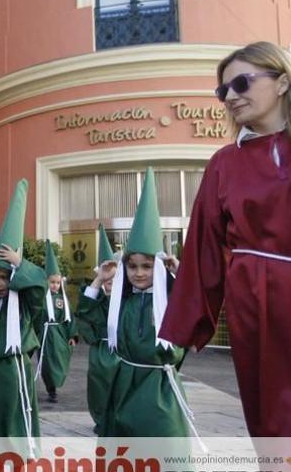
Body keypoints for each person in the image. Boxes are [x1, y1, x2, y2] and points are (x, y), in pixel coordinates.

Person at [160, 41, 291, 462]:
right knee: (276, 423)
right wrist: (184, 326)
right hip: (256, 305)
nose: (230, 96)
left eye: (242, 83)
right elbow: (203, 248)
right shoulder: (225, 162)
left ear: (282, 81)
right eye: (222, 90)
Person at [100, 168, 193, 440]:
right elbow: (93, 321)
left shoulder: (169, 303)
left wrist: (179, 276)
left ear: (160, 268)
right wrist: (99, 283)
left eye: (147, 266)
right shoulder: (123, 302)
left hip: (158, 390)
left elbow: (189, 314)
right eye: (132, 266)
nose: (139, 273)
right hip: (124, 386)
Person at [0, 180, 46, 445]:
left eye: (5, 277)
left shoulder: (25, 303)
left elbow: (39, 285)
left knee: (15, 427)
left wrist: (20, 263)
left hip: (16, 372)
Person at [74, 223, 120, 436]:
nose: (110, 283)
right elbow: (84, 311)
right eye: (106, 279)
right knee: (98, 387)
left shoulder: (126, 300)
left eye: (114, 278)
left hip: (122, 352)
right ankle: (101, 420)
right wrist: (99, 279)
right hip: (101, 352)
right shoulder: (96, 299)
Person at [34, 240, 76, 403]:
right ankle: (51, 389)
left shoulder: (62, 300)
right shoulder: (41, 299)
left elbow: (69, 317)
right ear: (46, 282)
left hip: (59, 335)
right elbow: (37, 315)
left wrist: (72, 335)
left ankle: (56, 384)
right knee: (47, 363)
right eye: (52, 282)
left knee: (60, 361)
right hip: (45, 335)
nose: (55, 286)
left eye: (58, 283)